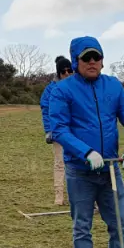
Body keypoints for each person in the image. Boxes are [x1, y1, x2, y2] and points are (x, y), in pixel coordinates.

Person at [49, 36, 124, 248]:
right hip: (80, 172)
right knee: (82, 225)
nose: (92, 62)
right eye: (86, 58)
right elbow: (58, 129)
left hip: (111, 170)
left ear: (102, 60)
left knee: (120, 223)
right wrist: (85, 152)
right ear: (76, 61)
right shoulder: (63, 90)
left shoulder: (113, 87)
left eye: (96, 57)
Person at [39, 55, 74, 206]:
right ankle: (59, 196)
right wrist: (49, 130)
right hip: (59, 132)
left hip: (77, 131)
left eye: (69, 70)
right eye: (63, 71)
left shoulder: (78, 86)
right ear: (58, 73)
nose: (67, 73)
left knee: (79, 164)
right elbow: (45, 109)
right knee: (60, 164)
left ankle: (81, 196)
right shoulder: (50, 90)